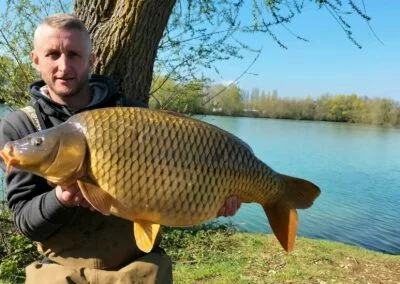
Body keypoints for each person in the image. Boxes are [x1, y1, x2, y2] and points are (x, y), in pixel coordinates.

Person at [0, 13, 241, 284]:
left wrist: (212, 199)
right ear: (35, 60)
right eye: (53, 54)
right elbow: (25, 222)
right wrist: (61, 199)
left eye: (75, 55)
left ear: (92, 61)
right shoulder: (20, 126)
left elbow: (174, 184)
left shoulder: (133, 117)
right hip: (60, 270)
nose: (64, 65)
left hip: (136, 267)